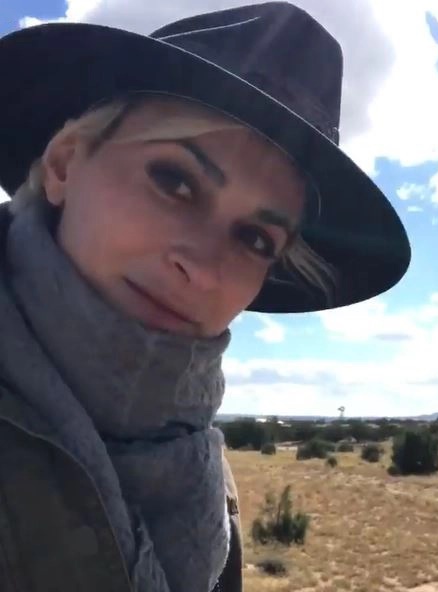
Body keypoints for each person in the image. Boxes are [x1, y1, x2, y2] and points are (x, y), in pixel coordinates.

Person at [0, 2, 411, 591]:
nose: (203, 270)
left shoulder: (200, 474)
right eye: (174, 180)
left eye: (255, 238)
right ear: (64, 163)